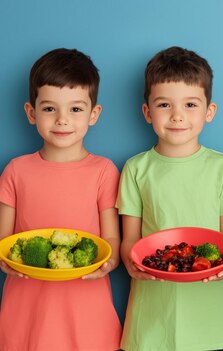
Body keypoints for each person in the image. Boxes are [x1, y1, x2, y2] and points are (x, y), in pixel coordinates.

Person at [117, 46, 223, 351]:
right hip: (153, 307)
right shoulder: (136, 168)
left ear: (208, 112)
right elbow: (129, 239)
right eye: (164, 105)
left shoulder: (222, 166)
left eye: (190, 104)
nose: (177, 116)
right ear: (147, 112)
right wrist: (129, 261)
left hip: (209, 304)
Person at [0, 48, 122, 350]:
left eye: (76, 110)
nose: (62, 120)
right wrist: (5, 261)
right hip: (26, 307)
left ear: (94, 114)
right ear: (32, 113)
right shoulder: (16, 170)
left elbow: (111, 239)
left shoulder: (104, 171)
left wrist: (109, 262)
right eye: (50, 109)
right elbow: (3, 240)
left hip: (86, 304)